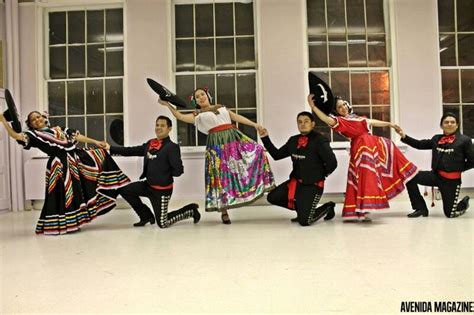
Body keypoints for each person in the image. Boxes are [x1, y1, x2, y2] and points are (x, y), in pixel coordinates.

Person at [0, 111, 130, 235]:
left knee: (95, 163)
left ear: (44, 118)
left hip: (74, 159)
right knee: (63, 193)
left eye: (38, 117)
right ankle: (65, 224)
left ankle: (77, 220)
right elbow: (16, 136)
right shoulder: (33, 135)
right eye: (33, 119)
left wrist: (96, 142)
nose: (37, 120)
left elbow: (77, 136)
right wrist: (4, 122)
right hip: (58, 164)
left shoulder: (59, 129)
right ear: (31, 124)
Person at [159, 87, 275, 224]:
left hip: (233, 140)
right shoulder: (197, 115)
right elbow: (179, 116)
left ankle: (253, 189)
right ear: (195, 101)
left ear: (208, 96)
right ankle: (224, 211)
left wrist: (255, 125)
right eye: (197, 96)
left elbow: (235, 117)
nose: (201, 97)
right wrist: (167, 104)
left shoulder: (221, 108)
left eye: (202, 94)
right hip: (216, 146)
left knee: (257, 151)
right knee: (220, 177)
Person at [308, 95, 418, 221]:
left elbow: (372, 121)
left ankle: (405, 173)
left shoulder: (357, 118)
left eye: (344, 104)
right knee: (364, 177)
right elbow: (326, 119)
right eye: (339, 107)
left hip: (371, 145)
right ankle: (363, 209)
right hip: (361, 148)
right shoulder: (340, 121)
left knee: (387, 151)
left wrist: (390, 124)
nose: (343, 107)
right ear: (336, 111)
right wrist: (313, 107)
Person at [106, 115, 200, 228]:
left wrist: (164, 172)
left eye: (162, 125)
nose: (159, 128)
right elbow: (132, 150)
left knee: (163, 223)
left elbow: (178, 171)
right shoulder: (151, 143)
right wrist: (110, 148)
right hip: (148, 186)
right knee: (124, 190)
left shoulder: (172, 147)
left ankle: (191, 210)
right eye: (157, 125)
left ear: (169, 129)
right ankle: (145, 216)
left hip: (162, 192)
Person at [259, 111, 338, 226]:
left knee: (305, 221)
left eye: (306, 121)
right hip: (295, 183)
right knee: (272, 197)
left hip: (312, 185)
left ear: (313, 124)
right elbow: (276, 155)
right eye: (299, 122)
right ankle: (302, 210)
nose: (302, 124)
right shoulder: (293, 140)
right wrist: (265, 138)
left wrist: (321, 175)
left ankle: (328, 207)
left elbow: (332, 163)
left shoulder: (320, 140)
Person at [395, 112, 473, 218]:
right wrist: (403, 136)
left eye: (452, 122)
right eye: (446, 122)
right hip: (435, 176)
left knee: (450, 214)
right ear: (441, 125)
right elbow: (419, 144)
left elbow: (472, 160)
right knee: (410, 177)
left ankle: (464, 203)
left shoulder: (465, 140)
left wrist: (460, 168)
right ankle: (420, 208)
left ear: (457, 125)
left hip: (451, 182)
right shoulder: (436, 139)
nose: (449, 124)